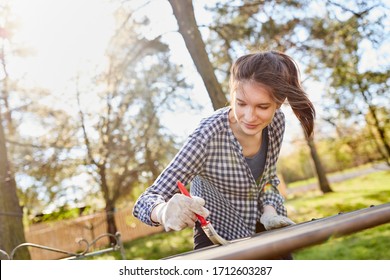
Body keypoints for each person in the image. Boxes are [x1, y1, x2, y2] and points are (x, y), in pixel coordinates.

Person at [133, 50, 315, 254]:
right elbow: (146, 200)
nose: (249, 116)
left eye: (262, 106)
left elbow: (268, 180)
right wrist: (163, 211)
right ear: (232, 94)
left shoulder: (276, 123)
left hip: (267, 230)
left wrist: (270, 212)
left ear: (278, 104)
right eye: (241, 103)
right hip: (218, 240)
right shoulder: (207, 136)